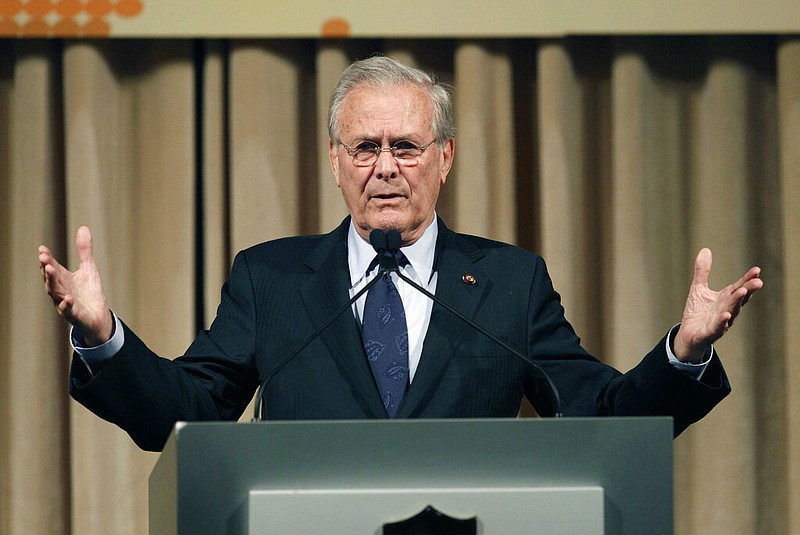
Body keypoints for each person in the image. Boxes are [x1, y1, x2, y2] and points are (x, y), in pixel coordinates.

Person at [39, 56, 762, 452]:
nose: (385, 167)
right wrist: (103, 337)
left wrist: (684, 352)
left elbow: (602, 414)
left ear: (444, 157)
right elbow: (185, 411)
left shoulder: (510, 282)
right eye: (365, 147)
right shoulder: (272, 278)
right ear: (335, 161)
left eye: (406, 146)